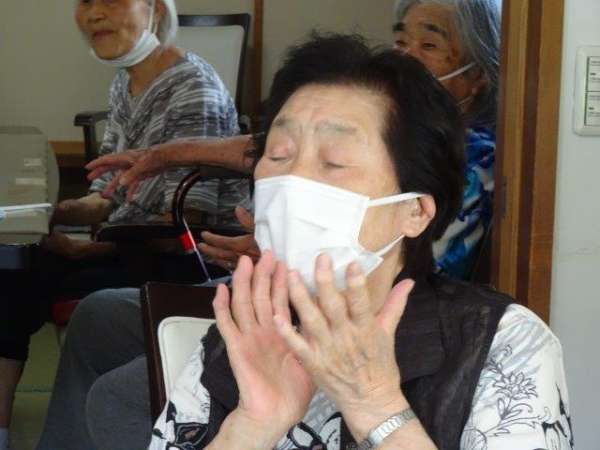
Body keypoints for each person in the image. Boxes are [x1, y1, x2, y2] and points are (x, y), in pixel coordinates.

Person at [146, 34, 572, 449]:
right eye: (277, 154)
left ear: (415, 210)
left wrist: (376, 407)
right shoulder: (243, 339)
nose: (293, 179)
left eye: (334, 161)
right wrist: (252, 424)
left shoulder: (500, 343)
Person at [88, 0, 502, 280]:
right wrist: (167, 154)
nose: (404, 58)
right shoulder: (395, 126)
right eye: (400, 42)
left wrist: (285, 258)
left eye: (428, 45)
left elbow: (413, 275)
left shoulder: (474, 161)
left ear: (477, 75)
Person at [1, 0, 247, 448]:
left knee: (18, 282)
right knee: (13, 275)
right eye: (86, 1)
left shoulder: (193, 88)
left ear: (155, 9)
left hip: (181, 262)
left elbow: (183, 226)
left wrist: (88, 250)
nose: (95, 13)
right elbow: (106, 197)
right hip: (131, 242)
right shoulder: (126, 82)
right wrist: (42, 211)